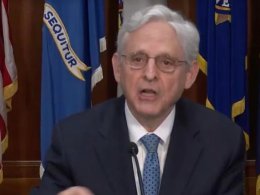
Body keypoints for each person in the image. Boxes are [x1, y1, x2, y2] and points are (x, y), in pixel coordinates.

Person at [31, 4, 245, 195]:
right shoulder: (74, 138)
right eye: (137, 59)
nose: (150, 74)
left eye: (166, 62)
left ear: (189, 74)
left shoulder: (222, 141)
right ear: (117, 68)